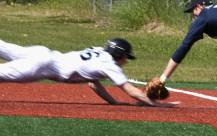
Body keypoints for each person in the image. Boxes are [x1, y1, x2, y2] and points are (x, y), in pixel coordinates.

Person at [0, 38, 177, 107]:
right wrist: (158, 105)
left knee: (3, 46)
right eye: (125, 57)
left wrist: (114, 102)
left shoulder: (99, 50)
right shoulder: (110, 65)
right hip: (41, 65)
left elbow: (93, 83)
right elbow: (131, 91)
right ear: (119, 55)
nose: (126, 61)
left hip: (42, 52)